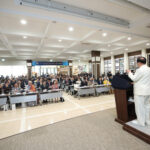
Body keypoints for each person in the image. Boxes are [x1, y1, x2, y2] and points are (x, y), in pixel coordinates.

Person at [127, 56, 150, 126]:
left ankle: (141, 122)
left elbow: (134, 78)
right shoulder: (149, 69)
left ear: (139, 63)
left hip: (140, 92)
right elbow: (144, 79)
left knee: (139, 108)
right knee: (147, 106)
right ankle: (147, 121)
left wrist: (129, 72)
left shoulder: (140, 70)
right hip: (148, 91)